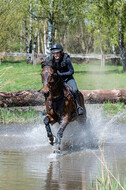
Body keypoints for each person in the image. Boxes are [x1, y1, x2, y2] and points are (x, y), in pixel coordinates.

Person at [43, 43, 84, 115]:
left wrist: (61, 74)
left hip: (68, 78)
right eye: (54, 53)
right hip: (57, 81)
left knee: (75, 90)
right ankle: (46, 108)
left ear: (61, 52)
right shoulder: (51, 58)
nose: (55, 55)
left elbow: (71, 71)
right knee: (48, 91)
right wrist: (43, 64)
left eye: (57, 53)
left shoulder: (66, 59)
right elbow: (45, 64)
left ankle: (79, 106)